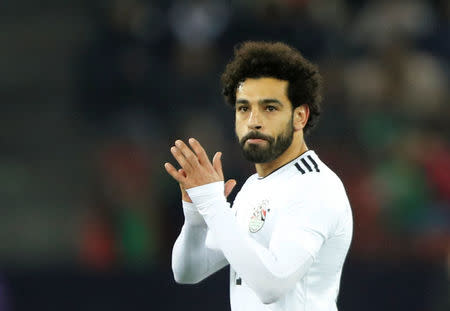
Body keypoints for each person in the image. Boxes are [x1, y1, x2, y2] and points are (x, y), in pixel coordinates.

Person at [164, 41, 353, 311]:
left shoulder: (315, 187)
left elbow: (271, 285)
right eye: (244, 108)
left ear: (299, 116)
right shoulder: (253, 187)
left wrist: (214, 205)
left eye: (270, 108)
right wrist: (196, 216)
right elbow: (188, 272)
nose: (254, 120)